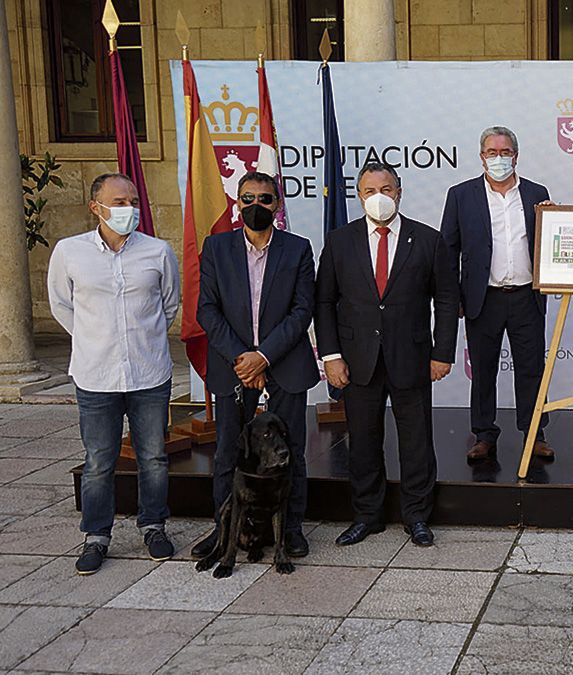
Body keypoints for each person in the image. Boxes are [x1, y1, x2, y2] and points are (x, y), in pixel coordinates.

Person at [315, 162, 458, 547]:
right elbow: (324, 301)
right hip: (356, 360)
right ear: (359, 196)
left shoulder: (427, 240)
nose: (379, 197)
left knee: (416, 440)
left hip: (412, 357)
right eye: (370, 191)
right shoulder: (340, 241)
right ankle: (367, 516)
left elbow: (446, 300)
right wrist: (331, 355)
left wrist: (442, 352)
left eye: (386, 189)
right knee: (362, 441)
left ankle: (417, 516)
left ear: (399, 191)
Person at [47, 173, 180, 575]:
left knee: (153, 457)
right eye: (119, 202)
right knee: (98, 461)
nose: (129, 209)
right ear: (96, 207)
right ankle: (96, 536)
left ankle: (153, 525)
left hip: (149, 373)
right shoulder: (70, 252)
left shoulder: (157, 252)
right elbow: (61, 304)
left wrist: (142, 339)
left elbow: (168, 305)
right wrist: (94, 338)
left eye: (133, 201)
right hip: (96, 375)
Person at [191, 171, 319, 560]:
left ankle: (290, 529)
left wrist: (263, 356)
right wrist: (242, 358)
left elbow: (302, 310)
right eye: (248, 198)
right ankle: (224, 528)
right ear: (237, 203)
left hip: (285, 363)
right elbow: (207, 310)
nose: (256, 205)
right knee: (229, 450)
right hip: (233, 366)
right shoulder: (216, 248)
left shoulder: (298, 249)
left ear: (277, 205)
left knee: (290, 449)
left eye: (265, 199)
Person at [441, 126, 554, 462]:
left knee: (531, 369)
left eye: (505, 152)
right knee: (483, 370)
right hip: (483, 298)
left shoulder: (536, 193)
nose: (499, 158)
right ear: (481, 157)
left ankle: (534, 434)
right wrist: (454, 297)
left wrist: (555, 221)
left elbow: (548, 240)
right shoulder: (460, 195)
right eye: (492, 152)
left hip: (526, 296)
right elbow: (448, 250)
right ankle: (484, 434)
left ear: (516, 156)